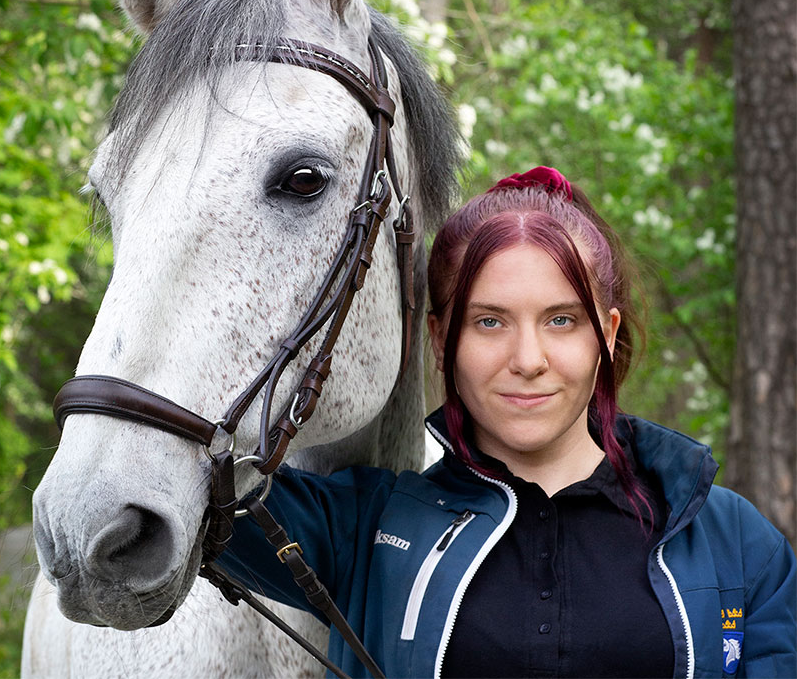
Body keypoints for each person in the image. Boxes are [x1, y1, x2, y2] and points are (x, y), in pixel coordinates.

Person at [217, 167, 796, 679]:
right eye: (490, 322)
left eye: (562, 320)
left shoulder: (739, 544)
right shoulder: (362, 527)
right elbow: (179, 466)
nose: (528, 359)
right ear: (442, 340)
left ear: (608, 334)